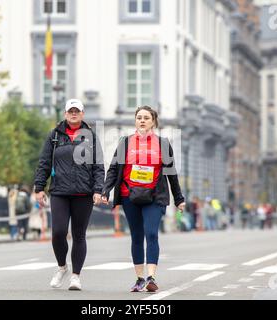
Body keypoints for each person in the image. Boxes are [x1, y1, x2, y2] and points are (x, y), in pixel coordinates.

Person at [101, 105, 185, 293]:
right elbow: (114, 169)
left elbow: (172, 174)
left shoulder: (163, 144)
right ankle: (139, 279)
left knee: (151, 233)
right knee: (137, 236)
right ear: (135, 121)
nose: (142, 120)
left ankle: (151, 277)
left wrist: (179, 199)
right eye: (139, 117)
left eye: (146, 117)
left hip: (155, 196)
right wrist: (106, 190)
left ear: (153, 122)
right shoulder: (125, 143)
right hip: (129, 194)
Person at [34, 98, 105, 290]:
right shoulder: (55, 136)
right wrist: (39, 188)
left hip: (84, 193)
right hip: (59, 192)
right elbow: (44, 163)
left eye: (77, 111)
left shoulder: (91, 136)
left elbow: (99, 166)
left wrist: (99, 190)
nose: (73, 113)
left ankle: (76, 276)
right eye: (70, 111)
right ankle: (62, 267)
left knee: (79, 235)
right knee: (58, 232)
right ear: (65, 114)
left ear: (82, 114)